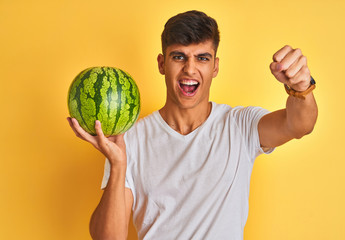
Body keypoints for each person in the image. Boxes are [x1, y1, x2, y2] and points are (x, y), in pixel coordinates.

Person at [67, 10, 318, 240]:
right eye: (179, 57)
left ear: (215, 66)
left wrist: (301, 87)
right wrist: (118, 164)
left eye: (202, 58)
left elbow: (299, 125)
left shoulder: (239, 126)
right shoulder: (129, 139)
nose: (190, 69)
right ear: (162, 64)